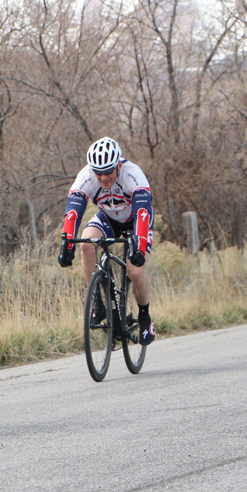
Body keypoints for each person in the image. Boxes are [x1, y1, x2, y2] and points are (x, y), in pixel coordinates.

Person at [57, 137, 156, 344]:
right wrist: (66, 244)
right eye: (98, 172)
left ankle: (145, 316)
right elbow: (72, 213)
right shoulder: (86, 176)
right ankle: (98, 303)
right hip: (109, 218)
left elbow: (143, 214)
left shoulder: (133, 175)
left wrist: (140, 247)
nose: (103, 177)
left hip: (136, 221)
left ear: (118, 165)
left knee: (135, 271)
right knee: (85, 245)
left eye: (108, 171)